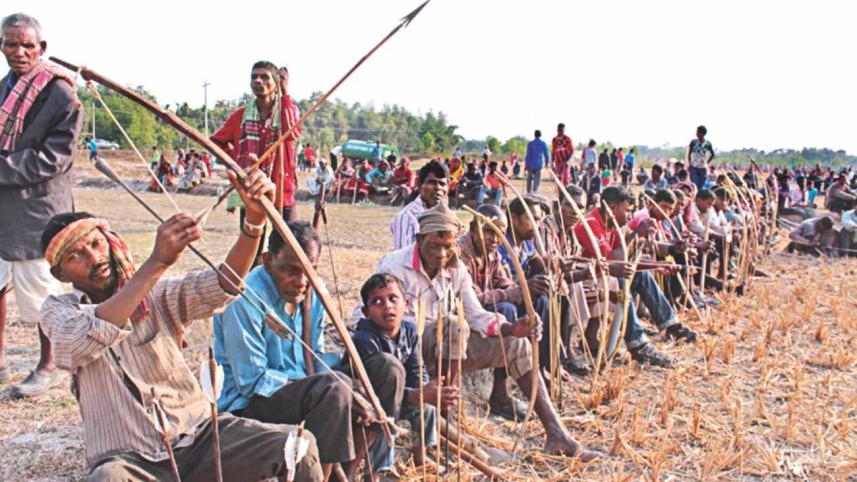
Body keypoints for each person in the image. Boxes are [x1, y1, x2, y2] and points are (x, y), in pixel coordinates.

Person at [40, 169, 323, 481]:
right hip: (129, 460)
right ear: (60, 275)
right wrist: (156, 263)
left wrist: (253, 223)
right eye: (75, 256)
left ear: (109, 242)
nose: (94, 258)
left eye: (96, 243)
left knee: (298, 445)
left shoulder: (157, 295)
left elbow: (222, 285)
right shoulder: (60, 312)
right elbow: (77, 343)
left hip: (199, 439)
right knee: (106, 479)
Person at [361, 203, 602, 460]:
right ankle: (446, 420)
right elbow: (370, 313)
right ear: (420, 239)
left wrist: (512, 327)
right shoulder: (395, 265)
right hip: (407, 351)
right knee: (454, 325)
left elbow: (475, 314)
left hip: (448, 344)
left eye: (448, 246)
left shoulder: (455, 268)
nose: (442, 254)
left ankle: (557, 435)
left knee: (514, 343)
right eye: (434, 246)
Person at [215, 220, 400, 479]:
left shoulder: (313, 293)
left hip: (303, 390)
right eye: (291, 270)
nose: (302, 281)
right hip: (251, 405)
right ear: (268, 262)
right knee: (334, 389)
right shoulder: (244, 298)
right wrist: (335, 384)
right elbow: (251, 381)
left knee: (386, 369)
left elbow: (315, 356)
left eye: (309, 270)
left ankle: (347, 472)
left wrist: (348, 381)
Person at [0, 13, 83, 395]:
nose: (19, 52)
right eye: (11, 44)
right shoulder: (5, 89)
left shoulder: (61, 94)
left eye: (27, 45)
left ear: (42, 49)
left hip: (38, 210)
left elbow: (54, 158)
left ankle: (48, 366)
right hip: (4, 208)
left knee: (42, 293)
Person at [352, 273, 453, 479]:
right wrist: (416, 394)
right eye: (377, 302)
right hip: (370, 403)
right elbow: (374, 390)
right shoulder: (363, 339)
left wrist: (427, 389)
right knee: (384, 417)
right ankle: (379, 468)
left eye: (393, 299)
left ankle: (420, 454)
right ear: (366, 312)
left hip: (400, 397)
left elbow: (417, 369)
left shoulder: (409, 330)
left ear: (406, 304)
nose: (387, 306)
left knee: (428, 403)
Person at [211, 60, 301, 228]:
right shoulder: (240, 116)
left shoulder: (288, 110)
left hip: (281, 187)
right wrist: (236, 162)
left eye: (265, 77)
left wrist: (285, 92)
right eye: (254, 77)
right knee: (251, 245)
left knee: (288, 244)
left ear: (276, 84)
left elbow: (292, 132)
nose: (258, 81)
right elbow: (215, 143)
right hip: (251, 189)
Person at [390, 160, 449, 250]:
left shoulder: (447, 216)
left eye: (442, 184)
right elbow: (404, 260)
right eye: (432, 182)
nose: (438, 188)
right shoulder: (407, 217)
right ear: (420, 185)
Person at [687, 125, 714, 190]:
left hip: (703, 168)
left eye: (697, 132)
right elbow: (689, 153)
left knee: (701, 185)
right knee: (694, 184)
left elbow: (712, 154)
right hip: (694, 167)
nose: (696, 133)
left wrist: (707, 162)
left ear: (702, 133)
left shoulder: (708, 143)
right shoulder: (693, 142)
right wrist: (690, 163)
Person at [525, 129, 550, 193]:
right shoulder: (543, 143)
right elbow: (546, 154)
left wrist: (526, 164)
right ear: (540, 135)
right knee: (537, 179)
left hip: (530, 164)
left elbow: (528, 155)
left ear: (534, 135)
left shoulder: (530, 143)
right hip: (538, 164)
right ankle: (535, 192)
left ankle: (528, 192)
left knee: (529, 179)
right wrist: (547, 163)